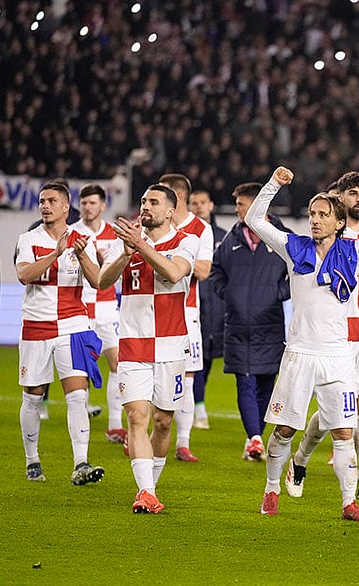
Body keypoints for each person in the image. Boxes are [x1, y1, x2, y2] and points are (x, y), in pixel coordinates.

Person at [248, 165, 359, 521]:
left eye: (323, 215)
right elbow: (256, 220)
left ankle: (349, 501)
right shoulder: (293, 246)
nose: (315, 220)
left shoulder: (355, 252)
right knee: (285, 428)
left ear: (339, 222)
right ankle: (272, 489)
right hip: (300, 353)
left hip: (337, 356)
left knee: (344, 432)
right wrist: (273, 184)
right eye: (312, 214)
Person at [97, 183, 197, 514]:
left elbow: (172, 272)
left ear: (171, 210)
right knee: (137, 417)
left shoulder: (186, 242)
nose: (146, 206)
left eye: (154, 202)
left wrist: (141, 246)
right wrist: (126, 253)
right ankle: (146, 491)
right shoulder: (124, 243)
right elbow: (102, 281)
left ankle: (151, 485)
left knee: (164, 422)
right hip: (134, 344)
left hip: (171, 346)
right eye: (143, 201)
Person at [14, 182, 105, 485]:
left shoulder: (83, 240)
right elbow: (24, 274)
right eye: (42, 201)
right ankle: (32, 460)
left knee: (78, 395)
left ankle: (80, 463)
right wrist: (56, 254)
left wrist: (80, 256)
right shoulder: (28, 239)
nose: (45, 205)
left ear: (66, 207)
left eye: (52, 201)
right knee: (33, 398)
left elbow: (98, 282)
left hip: (72, 324)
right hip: (37, 326)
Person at [209, 182, 291, 461]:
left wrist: (278, 293)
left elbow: (300, 273)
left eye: (241, 204)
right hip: (238, 324)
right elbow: (215, 271)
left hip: (270, 323)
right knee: (244, 382)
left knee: (267, 383)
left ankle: (254, 436)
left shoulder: (283, 238)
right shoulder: (230, 241)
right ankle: (255, 438)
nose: (236, 209)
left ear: (259, 206)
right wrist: (228, 293)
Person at [158, 173, 214, 462]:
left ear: (175, 196)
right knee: (150, 374)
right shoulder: (153, 225)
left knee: (188, 377)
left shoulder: (200, 229)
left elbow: (204, 271)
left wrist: (171, 263)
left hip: (187, 312)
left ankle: (183, 443)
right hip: (151, 310)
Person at [76, 183, 126, 443]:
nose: (87, 207)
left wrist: (106, 261)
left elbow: (119, 271)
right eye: (84, 203)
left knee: (117, 363)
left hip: (107, 308)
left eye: (92, 203)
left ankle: (115, 425)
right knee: (82, 370)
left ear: (103, 205)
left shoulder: (114, 235)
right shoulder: (73, 233)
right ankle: (80, 421)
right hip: (81, 309)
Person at [190, 189, 226, 430]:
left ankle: (197, 405)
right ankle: (198, 407)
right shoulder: (185, 237)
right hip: (195, 305)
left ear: (211, 205)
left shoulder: (223, 236)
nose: (199, 207)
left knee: (210, 358)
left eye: (203, 203)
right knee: (198, 359)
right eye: (194, 203)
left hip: (219, 304)